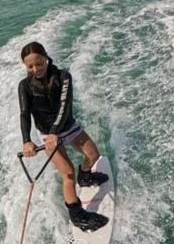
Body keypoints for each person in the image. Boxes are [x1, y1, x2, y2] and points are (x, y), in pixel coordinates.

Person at [18, 41, 109, 232]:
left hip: (67, 126)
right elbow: (25, 114)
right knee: (67, 174)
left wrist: (55, 131)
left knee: (93, 156)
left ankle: (85, 176)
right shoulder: (24, 86)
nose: (36, 69)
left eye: (39, 63)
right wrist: (27, 140)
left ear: (46, 58)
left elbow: (64, 106)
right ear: (26, 66)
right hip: (46, 134)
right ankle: (77, 216)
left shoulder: (63, 77)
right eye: (30, 66)